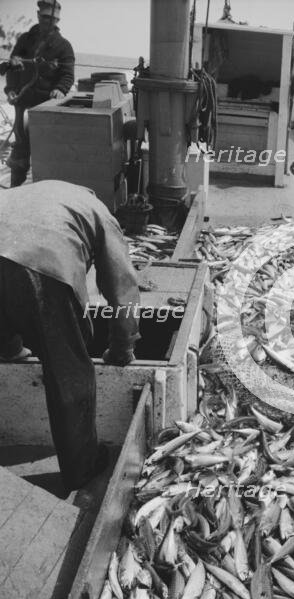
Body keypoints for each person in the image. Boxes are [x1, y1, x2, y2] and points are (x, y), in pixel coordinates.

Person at [0, 181, 141, 490]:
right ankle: (82, 468)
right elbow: (123, 286)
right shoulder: (99, 213)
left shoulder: (35, 192)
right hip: (42, 264)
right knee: (69, 370)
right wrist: (122, 346)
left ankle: (7, 350)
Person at [2, 0, 74, 187]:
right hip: (22, 103)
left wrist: (60, 89)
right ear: (38, 16)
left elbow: (67, 75)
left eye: (54, 20)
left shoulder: (64, 46)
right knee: (20, 149)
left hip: (45, 107)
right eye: (46, 18)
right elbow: (12, 67)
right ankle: (15, 190)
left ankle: (43, 193)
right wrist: (10, 90)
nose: (50, 23)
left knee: (47, 151)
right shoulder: (25, 40)